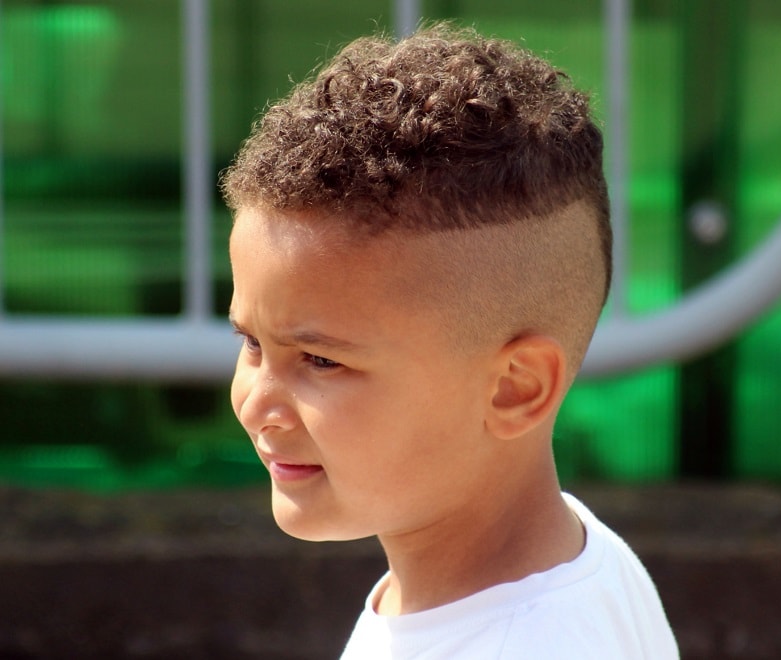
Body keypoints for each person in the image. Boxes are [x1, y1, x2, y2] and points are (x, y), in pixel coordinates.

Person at [221, 23, 678, 659]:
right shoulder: (566, 563)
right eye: (251, 343)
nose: (254, 403)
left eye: (321, 360)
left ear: (516, 388)